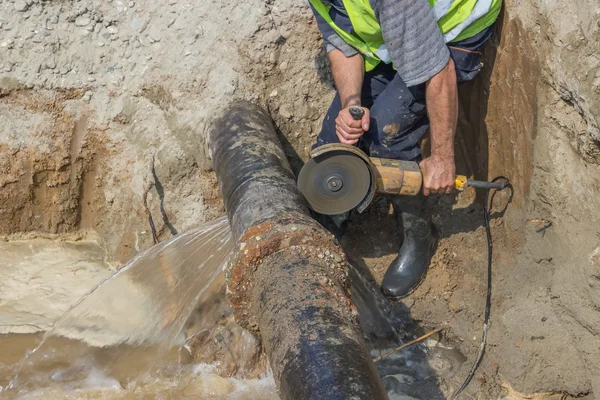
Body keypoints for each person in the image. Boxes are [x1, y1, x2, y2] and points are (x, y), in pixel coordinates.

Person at [308, 0, 502, 298]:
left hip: (452, 26)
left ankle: (420, 235)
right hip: (398, 29)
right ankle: (336, 209)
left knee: (389, 137)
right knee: (333, 140)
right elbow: (344, 42)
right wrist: (351, 103)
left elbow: (439, 71)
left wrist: (441, 158)